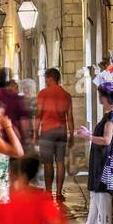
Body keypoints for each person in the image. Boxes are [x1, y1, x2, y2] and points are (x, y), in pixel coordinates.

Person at [75, 84, 113, 224]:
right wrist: (89, 133)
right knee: (95, 193)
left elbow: (107, 140)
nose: (99, 98)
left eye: (101, 95)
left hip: (104, 160)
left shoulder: (112, 116)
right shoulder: (107, 114)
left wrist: (89, 137)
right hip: (99, 158)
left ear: (106, 97)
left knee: (102, 193)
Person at [35, 68, 75, 203]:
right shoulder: (66, 95)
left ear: (50, 78)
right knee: (60, 163)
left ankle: (48, 191)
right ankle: (59, 192)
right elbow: (70, 118)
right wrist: (71, 135)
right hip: (62, 131)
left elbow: (39, 114)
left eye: (46, 78)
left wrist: (35, 133)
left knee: (48, 164)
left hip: (47, 131)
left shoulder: (43, 94)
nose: (45, 81)